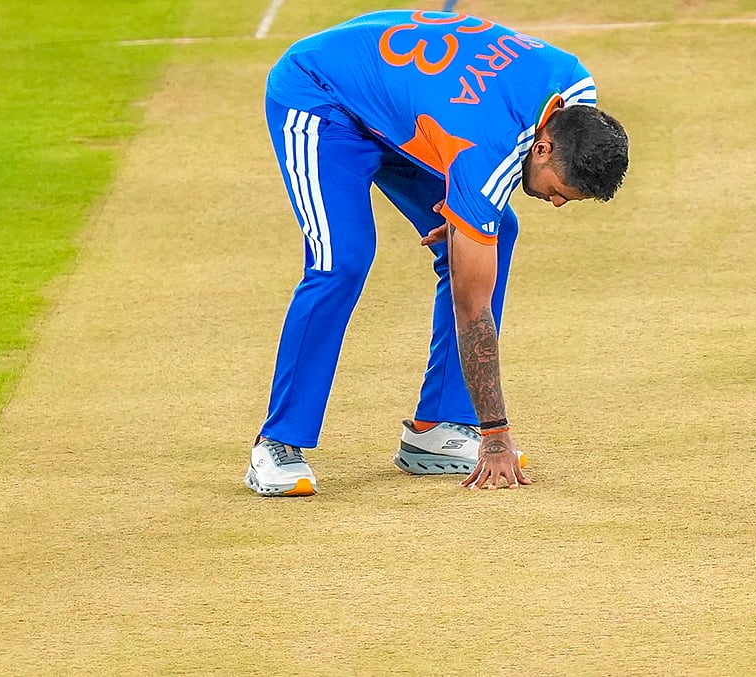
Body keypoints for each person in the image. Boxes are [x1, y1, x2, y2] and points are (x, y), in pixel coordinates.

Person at [244, 10, 628, 497]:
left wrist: (468, 215)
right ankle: (276, 442)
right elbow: (472, 310)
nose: (555, 203)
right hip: (323, 97)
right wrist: (495, 434)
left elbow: (478, 145)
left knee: (496, 231)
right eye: (559, 191)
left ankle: (437, 427)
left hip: (409, 114)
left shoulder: (575, 90)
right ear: (543, 148)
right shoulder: (486, 148)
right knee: (341, 260)